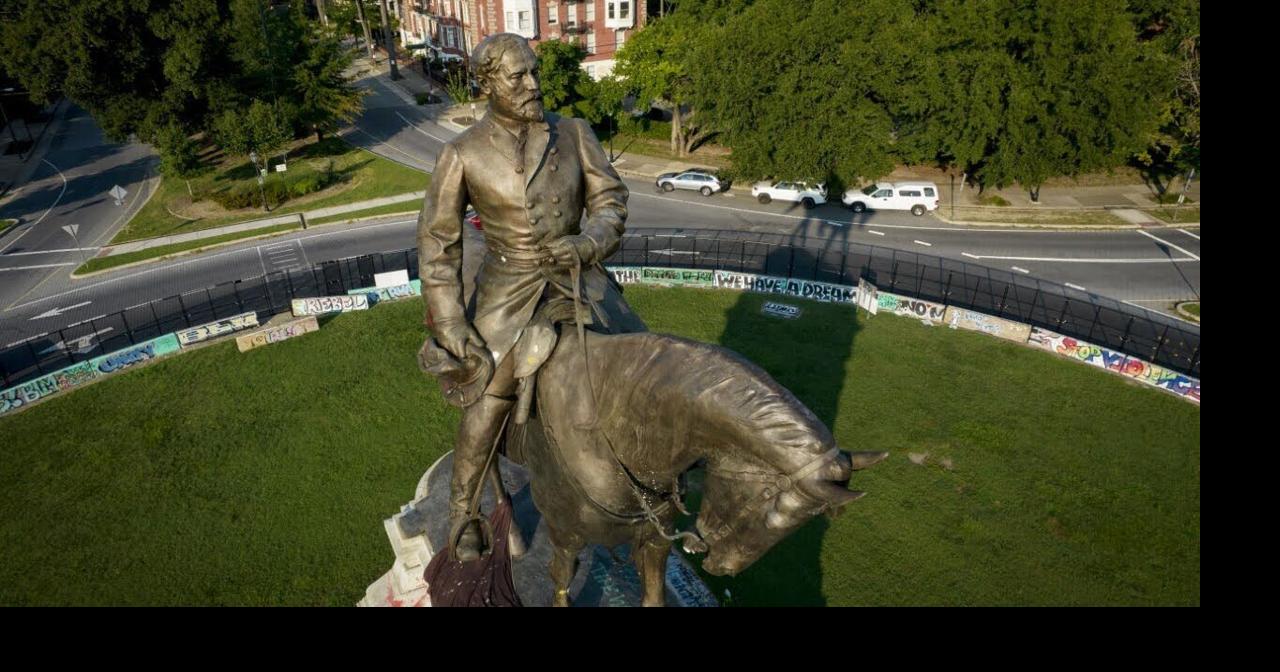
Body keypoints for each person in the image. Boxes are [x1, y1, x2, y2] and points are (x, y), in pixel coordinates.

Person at [417, 33, 629, 561]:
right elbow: (438, 244)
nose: (533, 85)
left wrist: (588, 242)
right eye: (518, 77)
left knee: (640, 361)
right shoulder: (461, 154)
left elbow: (611, 202)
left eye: (534, 72)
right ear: (488, 82)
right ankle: (464, 512)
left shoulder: (574, 133)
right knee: (489, 396)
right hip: (508, 293)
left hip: (580, 278)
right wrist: (450, 323)